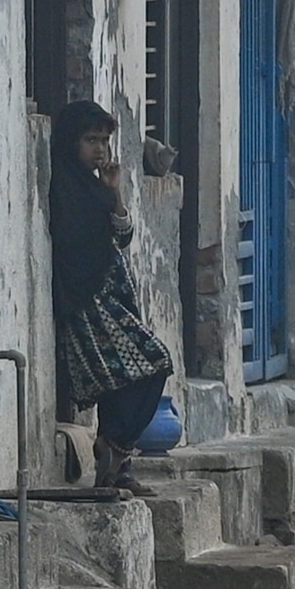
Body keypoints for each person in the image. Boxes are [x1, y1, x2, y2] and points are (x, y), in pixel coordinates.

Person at [47, 102, 175, 485]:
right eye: (91, 140)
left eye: (104, 140)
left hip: (113, 297)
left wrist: (114, 193)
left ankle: (116, 463)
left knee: (123, 381)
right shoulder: (65, 187)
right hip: (89, 301)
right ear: (72, 143)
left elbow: (122, 236)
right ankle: (114, 448)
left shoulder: (96, 186)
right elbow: (76, 243)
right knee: (153, 362)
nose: (100, 149)